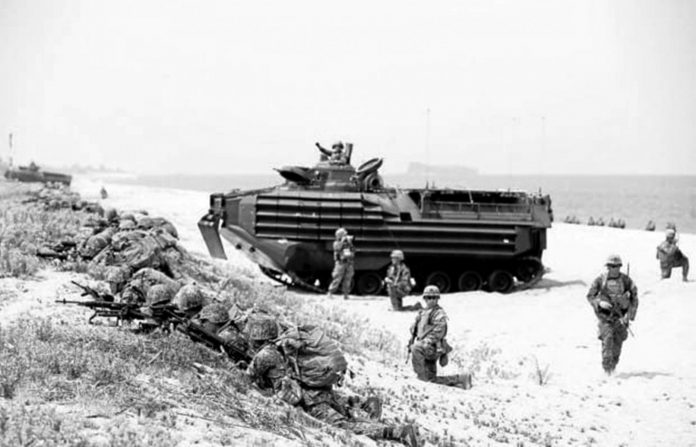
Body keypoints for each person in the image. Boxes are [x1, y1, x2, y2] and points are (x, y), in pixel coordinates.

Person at [245, 317, 421, 447]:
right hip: (320, 389)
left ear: (257, 336)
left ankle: (399, 432)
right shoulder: (284, 346)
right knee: (345, 413)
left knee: (343, 425)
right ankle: (365, 404)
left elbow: (245, 378)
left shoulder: (265, 354)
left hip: (311, 399)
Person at [408, 285, 472, 389]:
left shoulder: (438, 313)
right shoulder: (422, 313)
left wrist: (427, 341)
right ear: (424, 299)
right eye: (429, 297)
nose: (431, 300)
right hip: (426, 347)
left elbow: (439, 331)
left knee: (416, 349)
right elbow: (415, 329)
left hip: (433, 347)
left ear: (438, 299)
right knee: (431, 379)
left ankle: (421, 379)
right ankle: (461, 378)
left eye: (434, 297)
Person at [586, 254, 639, 375]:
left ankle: (613, 367)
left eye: (615, 266)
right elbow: (590, 296)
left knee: (617, 344)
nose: (612, 268)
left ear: (619, 267)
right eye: (610, 266)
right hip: (605, 317)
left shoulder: (626, 281)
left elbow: (634, 298)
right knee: (607, 342)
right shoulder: (601, 280)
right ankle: (607, 370)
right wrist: (599, 303)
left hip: (620, 317)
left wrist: (630, 315)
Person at [328, 227, 355, 299]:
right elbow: (338, 248)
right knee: (337, 278)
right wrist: (342, 241)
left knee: (348, 279)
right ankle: (330, 292)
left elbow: (353, 250)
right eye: (344, 235)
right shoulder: (336, 243)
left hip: (348, 263)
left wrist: (349, 243)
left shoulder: (348, 243)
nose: (346, 236)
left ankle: (346, 294)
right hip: (340, 263)